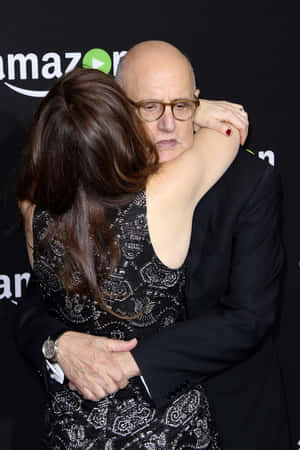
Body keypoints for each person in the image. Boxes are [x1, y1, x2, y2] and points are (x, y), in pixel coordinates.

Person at [15, 41, 289, 449]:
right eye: (149, 108)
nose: (167, 125)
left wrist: (129, 363)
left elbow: (249, 317)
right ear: (119, 113)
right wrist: (59, 344)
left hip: (225, 417)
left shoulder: (248, 183)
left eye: (181, 107)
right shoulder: (102, 192)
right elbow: (38, 306)